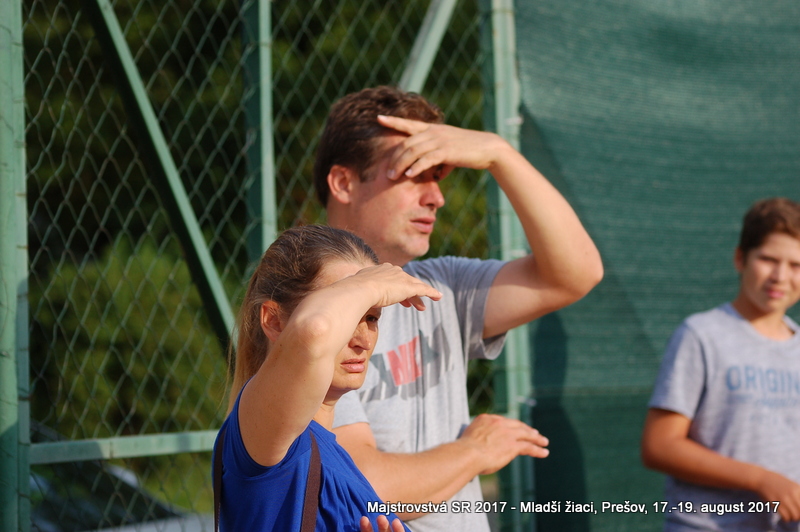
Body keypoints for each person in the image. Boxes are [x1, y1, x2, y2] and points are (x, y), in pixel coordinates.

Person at [313, 86, 604, 531]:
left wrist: (499, 154)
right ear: (344, 183)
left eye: (438, 177)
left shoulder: (439, 284)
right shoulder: (311, 316)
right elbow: (362, 489)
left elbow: (576, 273)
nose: (436, 197)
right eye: (414, 173)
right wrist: (475, 451)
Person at [213, 225, 442, 532]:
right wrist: (369, 284)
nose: (363, 340)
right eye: (347, 316)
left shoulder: (335, 458)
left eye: (371, 317)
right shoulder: (269, 440)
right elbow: (313, 330)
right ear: (274, 321)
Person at [641, 198, 800, 531]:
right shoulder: (700, 335)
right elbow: (659, 446)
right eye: (768, 260)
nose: (780, 276)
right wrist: (761, 480)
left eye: (796, 265)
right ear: (740, 258)